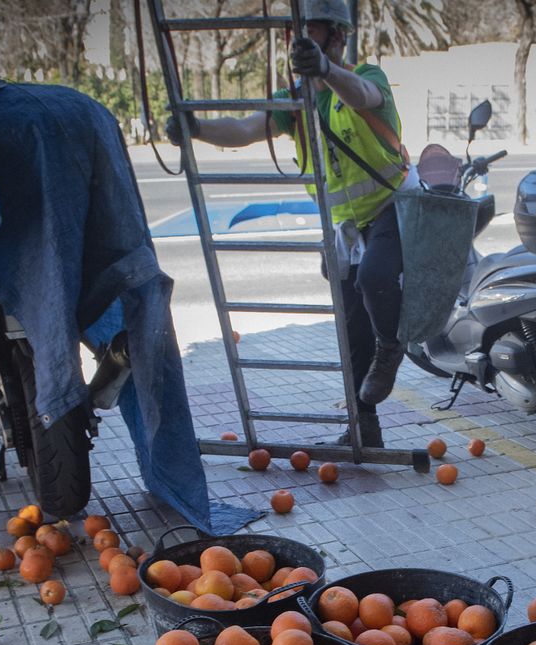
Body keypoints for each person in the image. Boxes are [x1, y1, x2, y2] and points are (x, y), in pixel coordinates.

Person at [167, 0, 407, 447]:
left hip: (391, 209)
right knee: (351, 329)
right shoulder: (293, 101)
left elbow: (361, 96)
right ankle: (363, 427)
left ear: (337, 37)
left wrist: (325, 72)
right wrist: (195, 127)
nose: (301, 43)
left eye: (313, 33)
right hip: (345, 228)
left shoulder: (366, 77)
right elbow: (243, 129)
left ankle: (392, 346)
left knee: (376, 278)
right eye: (298, 36)